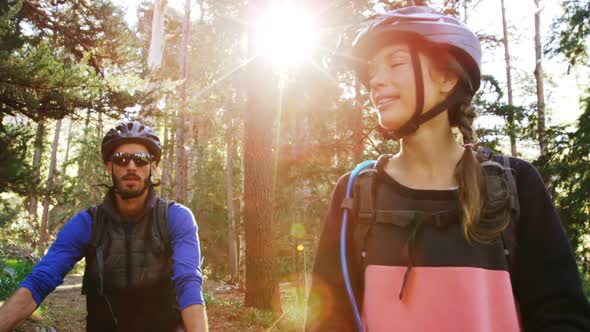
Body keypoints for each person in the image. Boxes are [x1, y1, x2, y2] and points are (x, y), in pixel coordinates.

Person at [306, 6, 590, 332]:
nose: (376, 81)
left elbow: (562, 315)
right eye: (372, 72)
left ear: (448, 78)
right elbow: (327, 320)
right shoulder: (356, 192)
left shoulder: (516, 184)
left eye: (395, 63)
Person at [0, 121, 208, 332]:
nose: (131, 166)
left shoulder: (175, 218)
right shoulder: (87, 223)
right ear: (109, 166)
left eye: (141, 159)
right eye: (121, 159)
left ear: (153, 166)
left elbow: (188, 283)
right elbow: (40, 281)